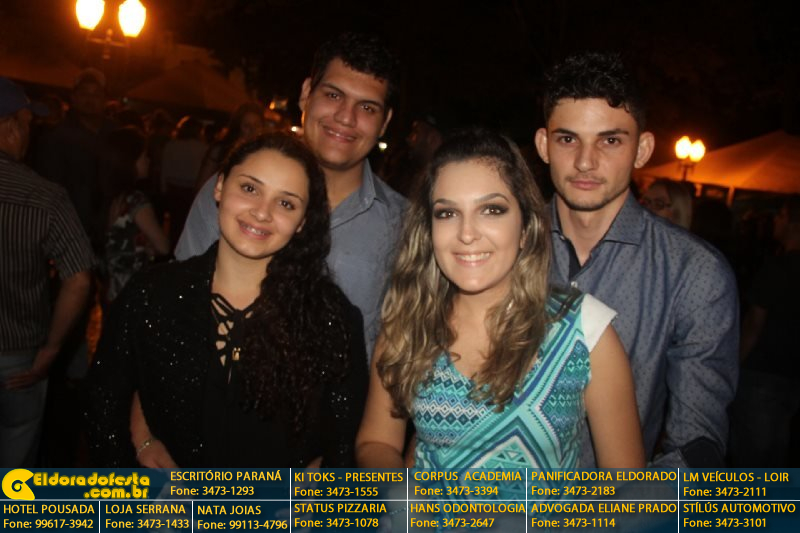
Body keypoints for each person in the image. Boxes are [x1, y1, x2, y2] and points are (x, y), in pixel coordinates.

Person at [356, 129, 644, 473]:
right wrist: (399, 491)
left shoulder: (585, 330)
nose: (466, 233)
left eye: (491, 210)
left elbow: (627, 486)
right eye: (447, 213)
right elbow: (377, 442)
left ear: (525, 228)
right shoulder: (408, 326)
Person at [86, 133, 368, 468]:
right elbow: (103, 405)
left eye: (286, 203)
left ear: (302, 222)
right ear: (219, 187)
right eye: (249, 188)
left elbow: (343, 441)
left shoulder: (331, 317)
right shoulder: (151, 295)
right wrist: (138, 472)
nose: (262, 212)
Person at [534, 52, 738, 467]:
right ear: (544, 145)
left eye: (610, 140)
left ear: (642, 149)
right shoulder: (497, 248)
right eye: (568, 139)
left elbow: (696, 446)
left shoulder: (694, 273)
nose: (585, 161)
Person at [175, 32, 406, 356]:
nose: (345, 117)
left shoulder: (405, 227)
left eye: (367, 107)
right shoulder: (235, 195)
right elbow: (178, 306)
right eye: (333, 95)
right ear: (306, 93)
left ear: (385, 123)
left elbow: (402, 352)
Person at [0, 77, 94, 466]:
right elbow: (79, 278)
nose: (30, 135)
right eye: (27, 124)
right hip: (17, 357)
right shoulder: (44, 196)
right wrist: (52, 349)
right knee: (15, 454)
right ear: (10, 127)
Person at [730, 196, 800, 466]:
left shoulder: (778, 268)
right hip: (791, 374)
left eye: (780, 216)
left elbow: (753, 325)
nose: (774, 222)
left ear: (792, 223)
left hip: (761, 373)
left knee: (752, 456)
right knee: (775, 451)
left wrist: (732, 367)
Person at [34, 68, 117, 243]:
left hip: (110, 229)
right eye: (84, 93)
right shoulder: (57, 137)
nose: (90, 99)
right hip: (71, 229)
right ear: (73, 97)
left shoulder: (115, 134)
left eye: (96, 94)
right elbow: (49, 185)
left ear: (105, 99)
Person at [98, 126, 170, 303]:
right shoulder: (135, 202)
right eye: (144, 156)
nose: (148, 160)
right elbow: (163, 247)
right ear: (130, 161)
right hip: (133, 291)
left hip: (110, 288)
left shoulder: (106, 196)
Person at [196, 103, 265, 186]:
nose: (252, 129)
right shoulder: (220, 150)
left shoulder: (264, 153)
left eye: (257, 125)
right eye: (247, 126)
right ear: (238, 128)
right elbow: (202, 183)